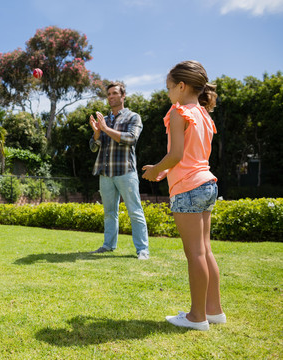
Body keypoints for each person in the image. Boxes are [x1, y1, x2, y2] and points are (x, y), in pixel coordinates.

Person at [142, 60, 225, 331]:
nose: (167, 93)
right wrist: (166, 173)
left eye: (168, 87)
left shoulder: (178, 112)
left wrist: (156, 169)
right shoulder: (203, 114)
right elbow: (191, 157)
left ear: (181, 86)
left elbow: (176, 154)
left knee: (195, 255)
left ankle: (197, 317)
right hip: (207, 184)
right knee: (206, 250)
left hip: (189, 190)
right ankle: (214, 311)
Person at [88, 81, 150, 260]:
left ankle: (142, 250)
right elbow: (94, 147)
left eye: (115, 93)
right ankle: (108, 245)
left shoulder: (133, 117)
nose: (111, 97)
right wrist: (97, 132)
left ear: (123, 96)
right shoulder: (104, 120)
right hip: (105, 174)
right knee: (109, 213)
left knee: (135, 211)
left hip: (125, 172)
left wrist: (106, 129)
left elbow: (131, 139)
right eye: (109, 94)